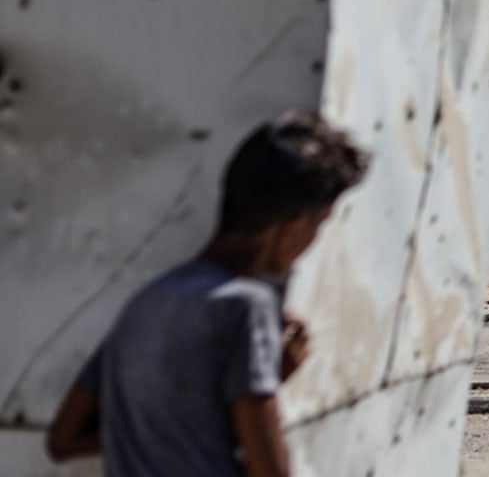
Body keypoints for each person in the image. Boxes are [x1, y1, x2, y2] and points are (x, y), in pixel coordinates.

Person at [46, 111, 368, 476]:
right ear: (293, 227)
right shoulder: (247, 306)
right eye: (320, 224)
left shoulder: (148, 302)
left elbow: (63, 440)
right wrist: (269, 379)